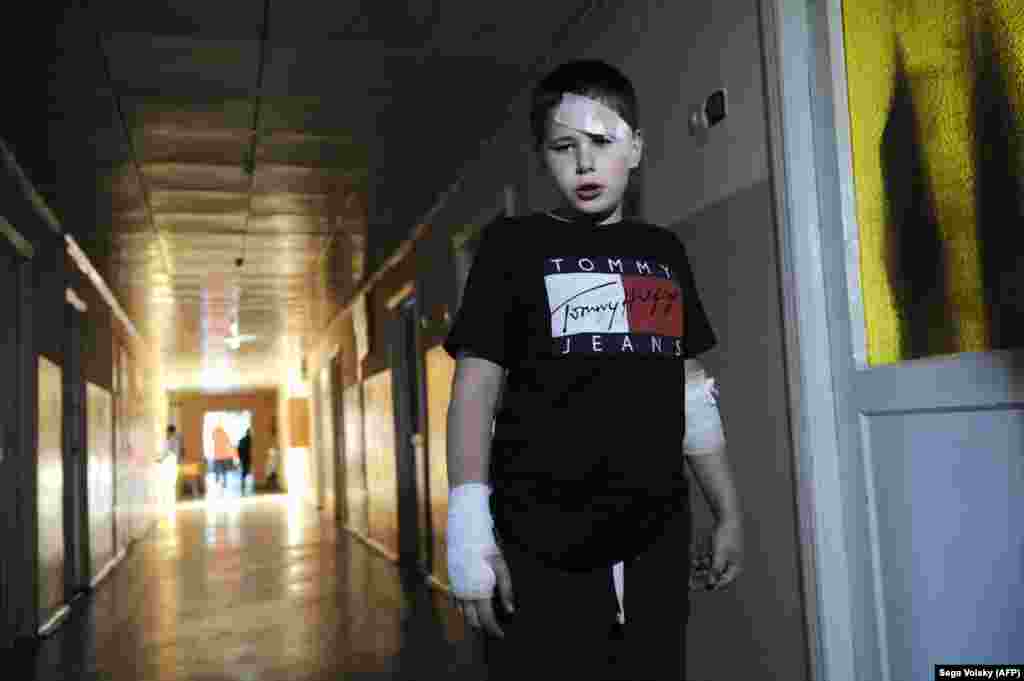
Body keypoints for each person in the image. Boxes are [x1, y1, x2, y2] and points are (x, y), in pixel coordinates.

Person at [443, 59, 745, 681]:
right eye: (564, 147)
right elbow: (475, 388)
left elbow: (689, 391)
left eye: (602, 142)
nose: (584, 164)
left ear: (635, 148)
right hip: (540, 543)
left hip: (655, 542)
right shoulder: (513, 247)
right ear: (543, 157)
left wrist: (729, 511)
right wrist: (468, 527)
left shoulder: (661, 253)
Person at [212, 423, 234, 489]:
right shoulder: (225, 434)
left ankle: (217, 478)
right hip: (224, 455)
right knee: (224, 470)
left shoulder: (215, 434)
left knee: (217, 469)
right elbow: (229, 442)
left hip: (217, 455)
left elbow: (212, 436)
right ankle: (224, 482)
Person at [237, 428, 252, 495]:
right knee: (246, 470)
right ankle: (244, 481)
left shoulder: (242, 440)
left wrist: (240, 457)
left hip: (244, 457)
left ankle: (243, 481)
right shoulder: (250, 440)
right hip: (247, 457)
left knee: (245, 470)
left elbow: (238, 449)